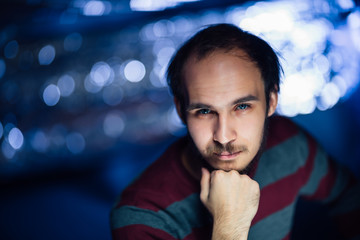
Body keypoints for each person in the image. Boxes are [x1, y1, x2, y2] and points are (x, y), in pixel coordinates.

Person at [110, 23, 360, 239]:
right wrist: (229, 227)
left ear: (272, 101)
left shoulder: (288, 143)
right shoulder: (143, 216)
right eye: (205, 111)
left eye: (242, 106)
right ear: (180, 109)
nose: (224, 137)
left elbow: (348, 196)